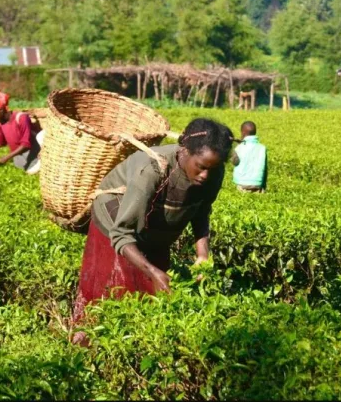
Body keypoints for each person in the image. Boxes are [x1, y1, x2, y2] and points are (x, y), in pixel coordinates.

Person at [71, 118, 234, 344]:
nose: (206, 175)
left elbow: (201, 210)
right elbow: (122, 234)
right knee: (115, 289)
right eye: (201, 167)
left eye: (212, 169)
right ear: (184, 151)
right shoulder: (150, 169)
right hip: (116, 223)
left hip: (156, 226)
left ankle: (140, 348)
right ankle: (88, 344)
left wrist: (202, 254)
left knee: (154, 294)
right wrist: (152, 271)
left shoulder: (214, 172)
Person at [0, 91, 43, 174]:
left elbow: (26, 144)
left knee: (34, 171)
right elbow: (0, 142)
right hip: (18, 156)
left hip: (33, 152)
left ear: (1, 110)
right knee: (20, 167)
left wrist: (7, 157)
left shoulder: (21, 118)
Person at [232, 121, 267, 193]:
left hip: (242, 184)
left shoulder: (239, 147)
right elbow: (265, 169)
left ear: (243, 133)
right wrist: (263, 185)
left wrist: (232, 149)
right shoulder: (262, 148)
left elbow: (235, 162)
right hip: (258, 184)